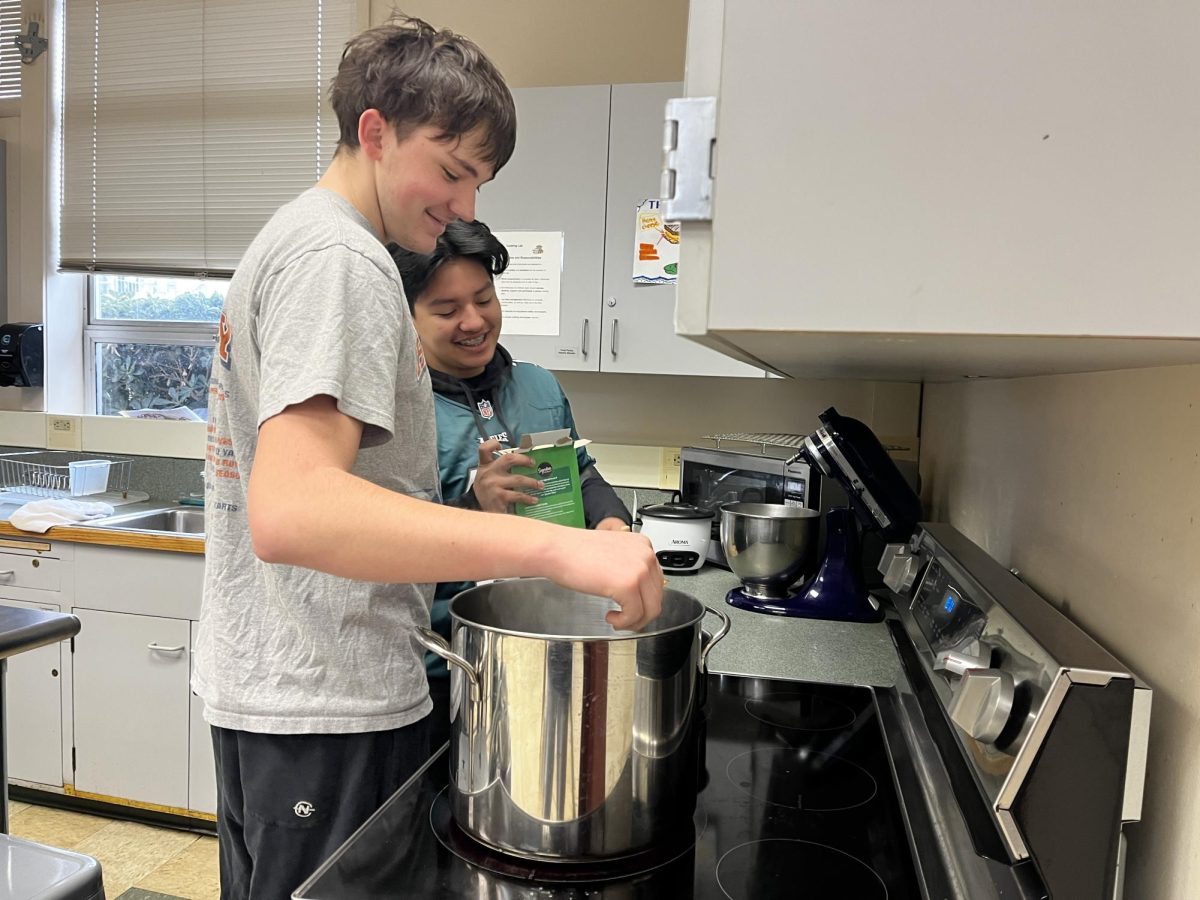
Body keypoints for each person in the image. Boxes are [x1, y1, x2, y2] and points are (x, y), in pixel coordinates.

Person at [192, 16, 662, 900]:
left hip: (288, 694)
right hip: (328, 703)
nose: (464, 206)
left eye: (478, 181)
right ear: (375, 132)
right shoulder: (343, 262)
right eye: (451, 171)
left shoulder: (302, 241)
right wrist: (561, 548)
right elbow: (292, 511)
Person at [391, 221, 634, 747]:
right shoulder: (395, 412)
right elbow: (381, 541)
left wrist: (612, 524)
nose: (474, 321)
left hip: (545, 643)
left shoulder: (539, 384)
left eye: (483, 298)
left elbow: (582, 472)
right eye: (448, 310)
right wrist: (476, 506)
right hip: (441, 665)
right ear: (407, 316)